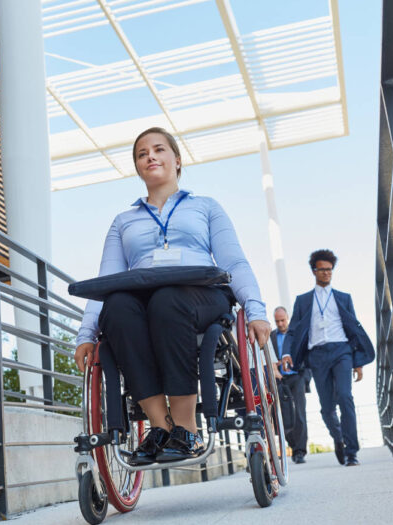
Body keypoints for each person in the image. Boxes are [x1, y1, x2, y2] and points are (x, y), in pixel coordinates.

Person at [73, 127, 271, 465]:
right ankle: (160, 426)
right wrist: (86, 334)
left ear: (176, 160)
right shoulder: (124, 221)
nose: (150, 156)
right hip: (142, 300)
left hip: (200, 294)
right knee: (118, 306)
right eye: (141, 153)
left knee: (168, 299)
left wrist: (255, 309)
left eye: (159, 149)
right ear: (138, 167)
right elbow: (106, 281)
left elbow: (233, 261)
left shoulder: (206, 207)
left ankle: (186, 425)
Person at [280, 249, 375, 467]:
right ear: (314, 271)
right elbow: (293, 330)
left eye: (329, 270)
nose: (326, 273)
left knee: (345, 396)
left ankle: (352, 452)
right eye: (322, 270)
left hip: (342, 352)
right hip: (317, 355)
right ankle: (339, 438)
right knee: (327, 407)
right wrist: (286, 352)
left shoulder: (344, 298)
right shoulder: (303, 301)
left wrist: (358, 362)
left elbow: (354, 330)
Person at [271, 306, 310, 464]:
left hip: (297, 377)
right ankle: (293, 446)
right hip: (280, 380)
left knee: (300, 414)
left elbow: (307, 356)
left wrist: (306, 378)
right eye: (277, 321)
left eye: (283, 320)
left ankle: (300, 451)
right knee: (282, 416)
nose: (280, 323)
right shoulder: (271, 336)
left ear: (288, 318)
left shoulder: (297, 334)